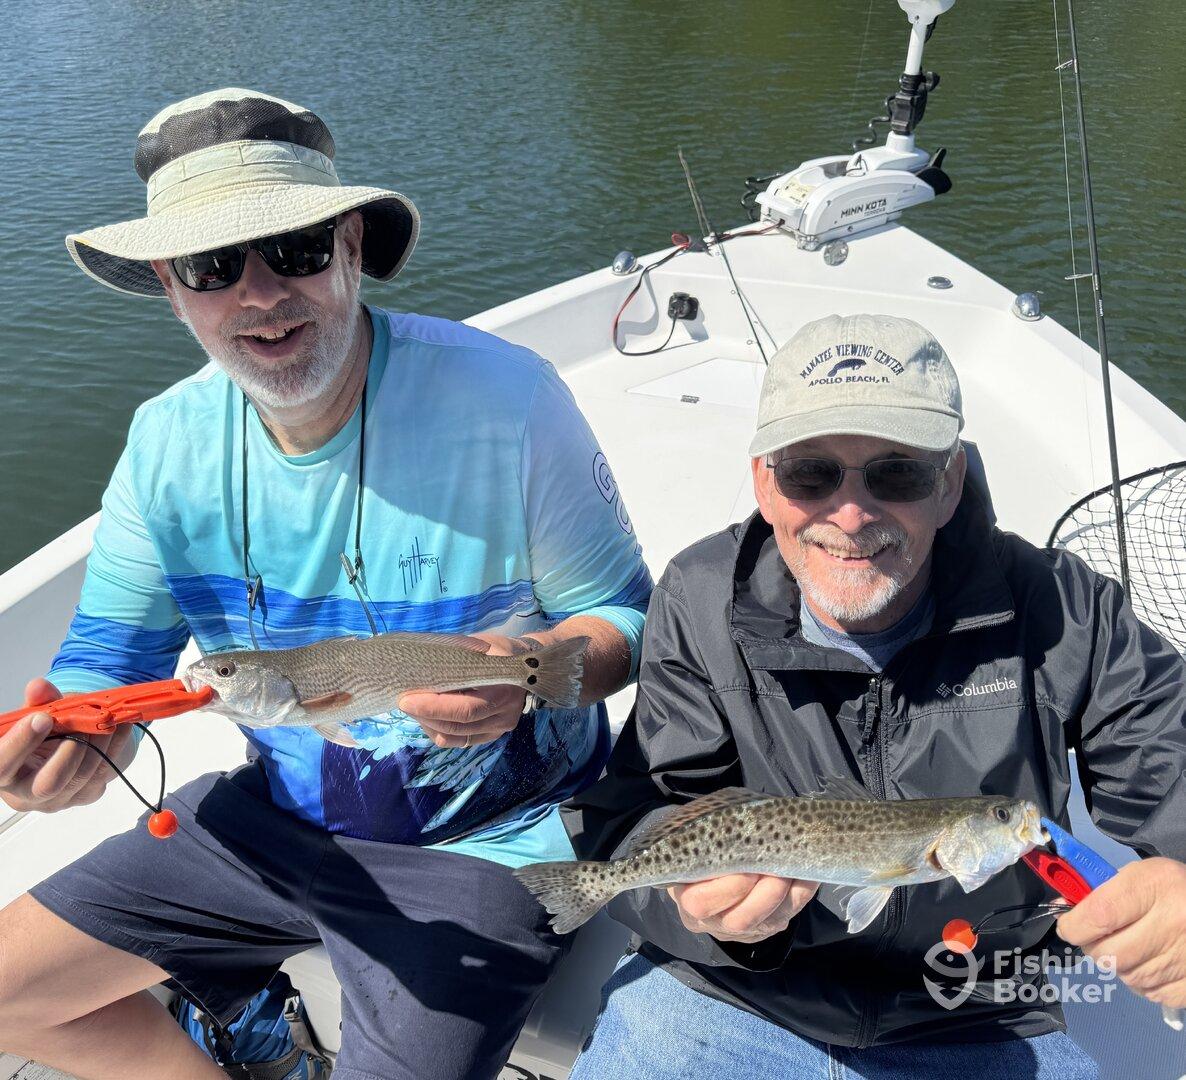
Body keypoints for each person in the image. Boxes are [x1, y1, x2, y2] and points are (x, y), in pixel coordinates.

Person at [0, 88, 652, 1080]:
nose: (260, 295)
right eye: (214, 267)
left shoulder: (509, 400)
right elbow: (108, 664)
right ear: (171, 287)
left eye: (295, 250)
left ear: (351, 246)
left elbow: (628, 624)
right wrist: (83, 745)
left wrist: (529, 670)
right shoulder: (164, 444)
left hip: (488, 844)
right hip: (266, 820)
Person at [561, 313, 1186, 1079]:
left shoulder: (1066, 608)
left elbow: (1171, 755)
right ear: (764, 482)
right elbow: (637, 811)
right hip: (732, 991)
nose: (852, 516)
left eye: (898, 473)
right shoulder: (698, 597)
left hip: (976, 1004)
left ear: (950, 482)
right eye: (811, 474)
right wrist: (706, 917)